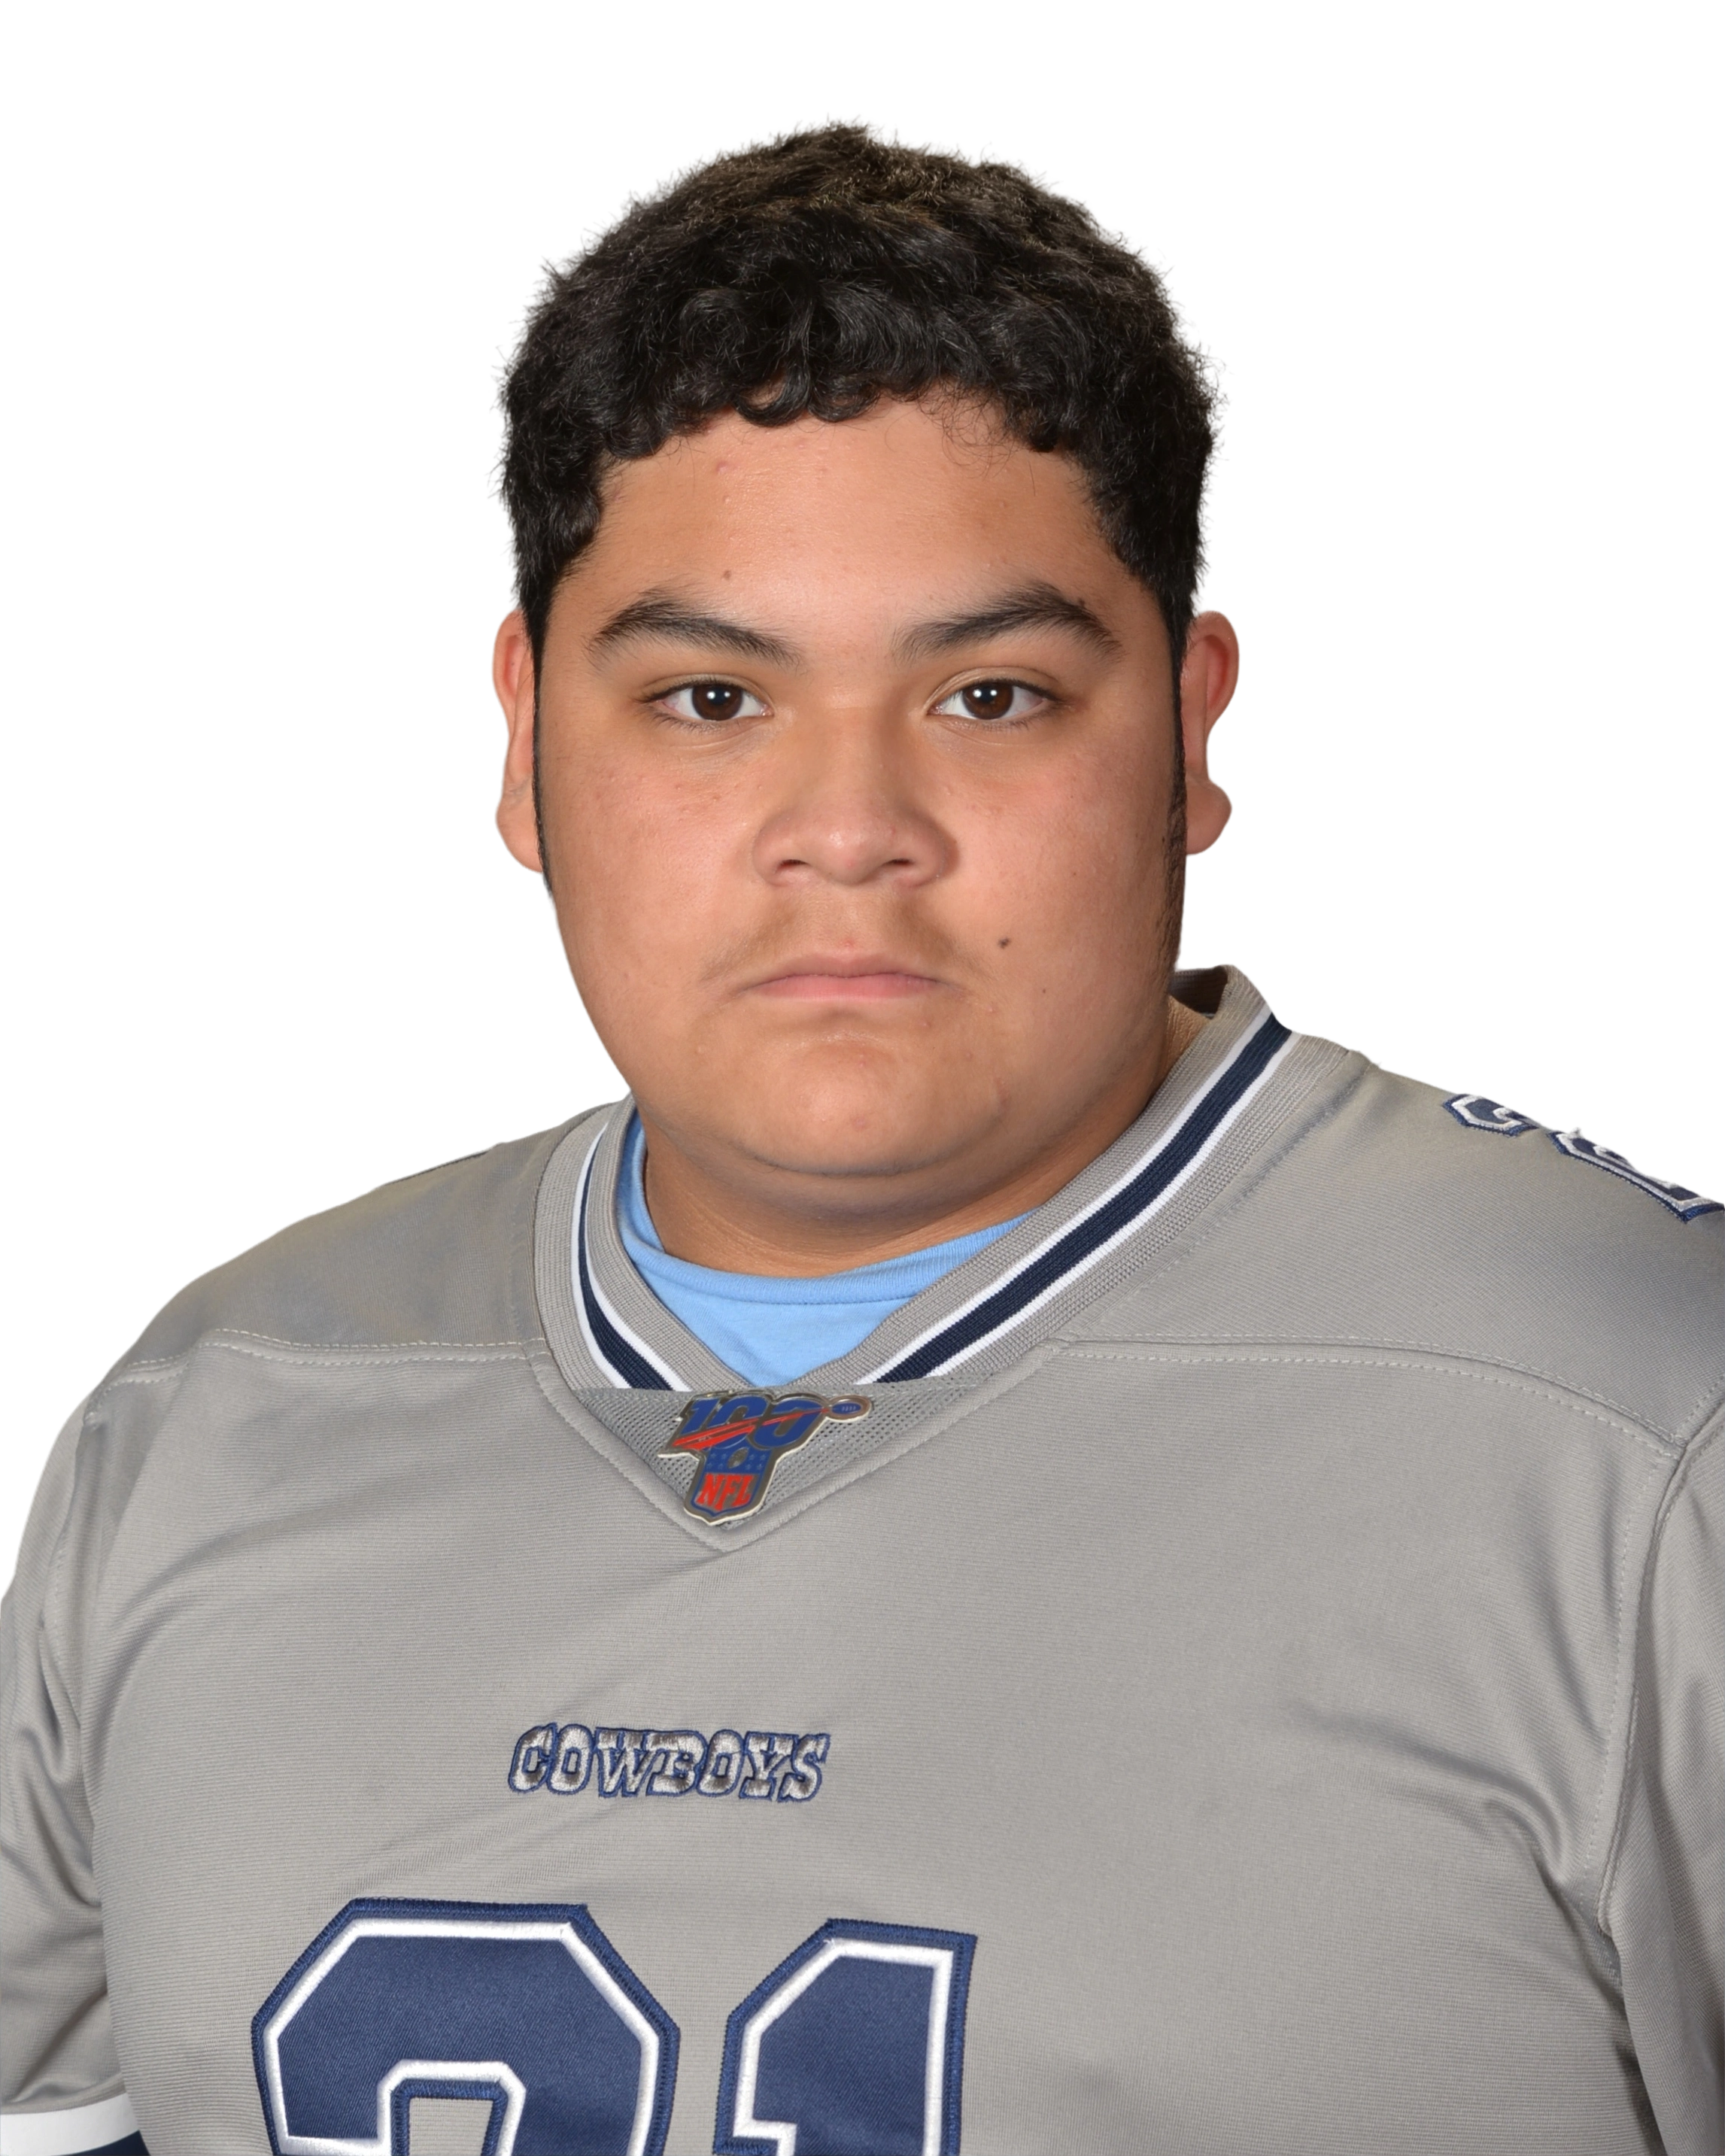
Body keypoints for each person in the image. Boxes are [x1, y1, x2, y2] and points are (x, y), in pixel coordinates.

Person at [2, 114, 1719, 2156]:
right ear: (524, 734)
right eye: (710, 701)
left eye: (989, 695)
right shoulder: (207, 1414)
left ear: (1190, 730)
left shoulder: (1642, 1429)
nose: (848, 830)